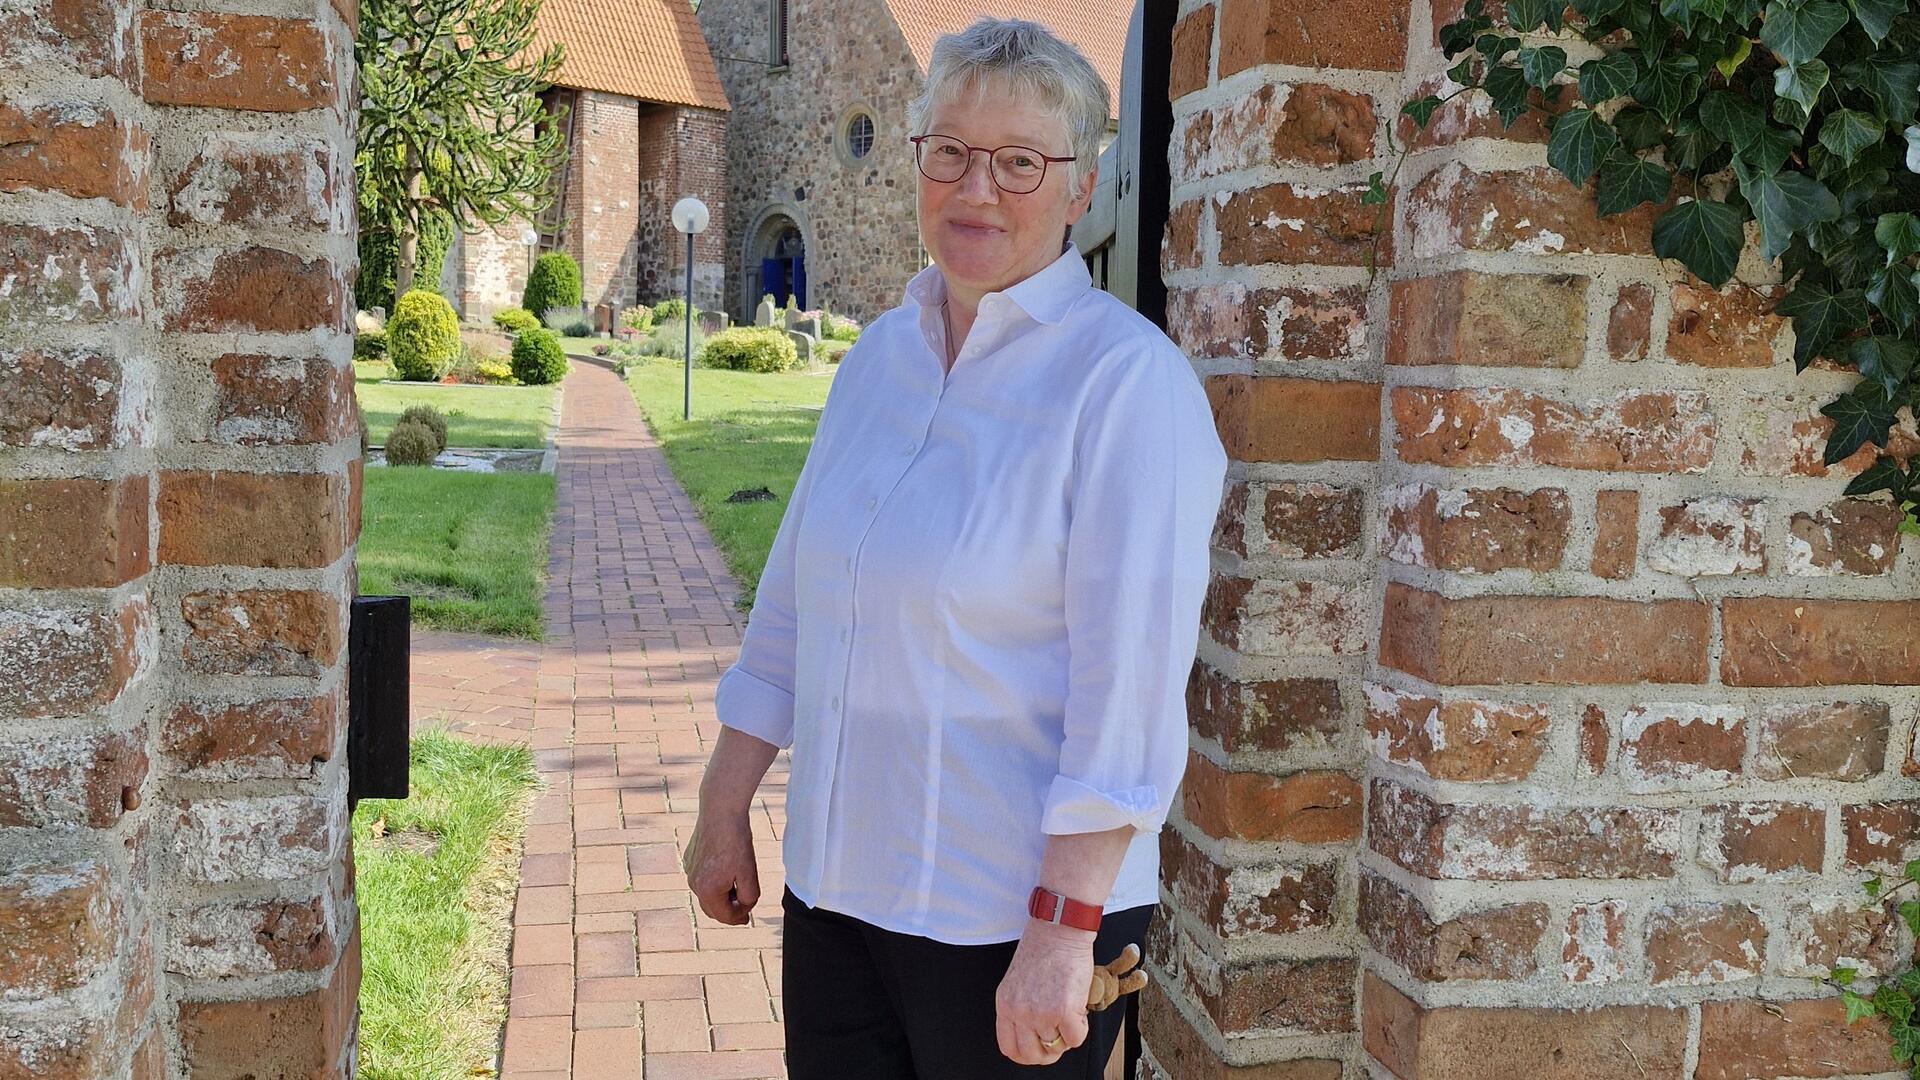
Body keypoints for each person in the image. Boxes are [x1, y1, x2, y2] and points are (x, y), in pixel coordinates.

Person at [682, 17, 1226, 1078]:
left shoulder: (1126, 389)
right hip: (838, 897)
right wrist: (721, 804)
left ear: (1081, 186)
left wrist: (1064, 934)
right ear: (919, 160)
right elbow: (797, 601)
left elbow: (1130, 701)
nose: (979, 189)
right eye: (952, 154)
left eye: (1021, 163)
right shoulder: (876, 361)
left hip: (1011, 925)